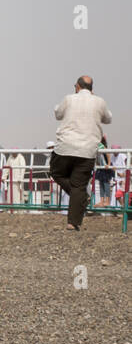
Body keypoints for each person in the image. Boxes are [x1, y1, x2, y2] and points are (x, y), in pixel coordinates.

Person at [49, 75, 113, 231]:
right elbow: (108, 119)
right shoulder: (100, 102)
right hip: (87, 150)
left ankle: (81, 197)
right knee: (79, 186)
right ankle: (73, 222)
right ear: (92, 89)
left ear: (77, 86)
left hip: (65, 147)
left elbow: (57, 114)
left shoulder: (69, 99)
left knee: (56, 172)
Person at [94, 135, 115, 208]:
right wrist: (97, 163)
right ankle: (102, 201)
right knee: (101, 185)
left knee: (106, 185)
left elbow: (108, 155)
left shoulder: (102, 146)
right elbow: (97, 156)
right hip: (101, 167)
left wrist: (108, 164)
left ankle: (108, 201)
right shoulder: (97, 146)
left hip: (106, 167)